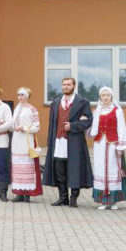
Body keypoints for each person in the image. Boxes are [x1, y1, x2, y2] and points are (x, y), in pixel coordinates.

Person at [43, 77, 93, 208]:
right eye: (64, 84)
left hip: (74, 141)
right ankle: (63, 197)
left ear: (74, 86)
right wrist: (50, 141)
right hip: (58, 141)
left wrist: (73, 126)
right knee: (59, 170)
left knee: (75, 169)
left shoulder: (83, 102)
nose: (66, 86)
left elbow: (88, 121)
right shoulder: (55, 103)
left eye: (69, 84)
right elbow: (51, 124)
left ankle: (73, 198)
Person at [89, 87, 126, 210]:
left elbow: (121, 128)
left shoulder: (117, 111)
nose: (105, 97)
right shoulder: (97, 111)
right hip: (100, 144)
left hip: (112, 144)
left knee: (113, 169)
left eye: (107, 95)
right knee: (101, 169)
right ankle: (103, 201)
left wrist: (120, 146)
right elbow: (93, 128)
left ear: (111, 97)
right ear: (100, 97)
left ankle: (113, 200)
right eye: (103, 95)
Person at [11, 87, 43, 203]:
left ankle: (27, 194)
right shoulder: (16, 108)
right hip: (16, 140)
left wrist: (23, 128)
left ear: (28, 96)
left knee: (27, 166)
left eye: (22, 95)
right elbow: (13, 124)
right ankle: (19, 193)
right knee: (17, 167)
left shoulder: (32, 109)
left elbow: (37, 127)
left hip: (26, 140)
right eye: (18, 95)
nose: (20, 97)